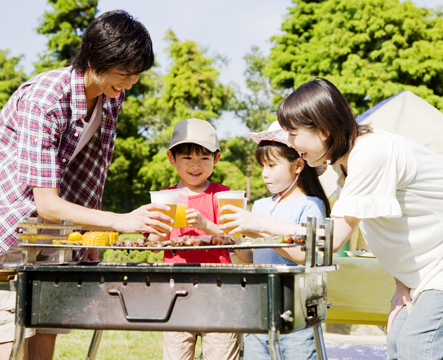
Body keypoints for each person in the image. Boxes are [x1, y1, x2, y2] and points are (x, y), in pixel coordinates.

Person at [220, 78, 443, 360]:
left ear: (323, 130)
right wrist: (402, 284)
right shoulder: (346, 164)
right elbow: (390, 227)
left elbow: (331, 240)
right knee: (397, 341)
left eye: (293, 133)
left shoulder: (370, 153)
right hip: (425, 272)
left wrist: (258, 224)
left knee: (417, 348)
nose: (290, 142)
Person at [0, 10, 173, 360]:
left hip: (55, 230)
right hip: (12, 224)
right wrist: (120, 221)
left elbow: (94, 168)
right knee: (10, 333)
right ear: (94, 59)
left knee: (46, 322)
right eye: (124, 72)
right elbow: (46, 202)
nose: (129, 83)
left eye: (136, 74)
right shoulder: (44, 100)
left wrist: (87, 236)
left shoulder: (112, 97)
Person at [229, 121, 330, 360]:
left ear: (298, 165)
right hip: (260, 307)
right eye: (263, 165)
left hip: (296, 310)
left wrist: (262, 231)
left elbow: (307, 256)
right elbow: (252, 257)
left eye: (272, 165)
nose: (265, 173)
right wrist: (232, 237)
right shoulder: (261, 205)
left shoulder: (311, 205)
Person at [148, 118, 240, 360]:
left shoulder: (223, 195)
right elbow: (154, 245)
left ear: (216, 159)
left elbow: (238, 242)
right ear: (172, 157)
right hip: (176, 293)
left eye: (204, 158)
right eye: (187, 158)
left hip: (220, 292)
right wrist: (161, 226)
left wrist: (205, 225)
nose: (195, 165)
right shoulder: (165, 197)